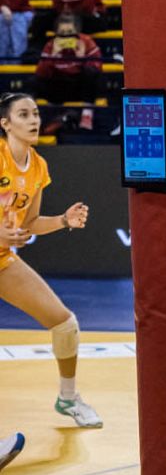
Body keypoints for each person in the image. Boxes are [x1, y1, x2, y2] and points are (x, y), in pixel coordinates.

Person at [0, 94, 100, 428]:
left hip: (2, 261)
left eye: (36, 114)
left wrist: (62, 221)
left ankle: (68, 398)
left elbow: (29, 224)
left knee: (64, 324)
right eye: (23, 114)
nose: (34, 120)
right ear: (5, 124)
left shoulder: (39, 166)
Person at [36, 14, 101, 131]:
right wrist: (53, 57)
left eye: (70, 32)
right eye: (62, 32)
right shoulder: (51, 45)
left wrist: (81, 58)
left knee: (92, 74)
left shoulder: (86, 42)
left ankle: (87, 115)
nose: (66, 36)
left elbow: (97, 68)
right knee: (34, 82)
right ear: (56, 33)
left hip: (79, 86)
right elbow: (40, 73)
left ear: (77, 32)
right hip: (59, 85)